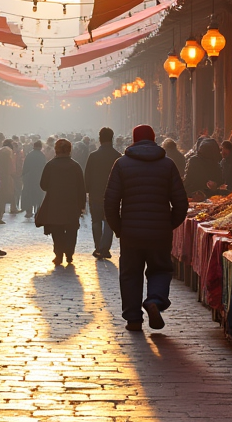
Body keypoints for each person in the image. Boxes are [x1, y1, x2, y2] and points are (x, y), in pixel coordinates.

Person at [104, 124, 188, 332]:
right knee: (160, 269)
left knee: (130, 274)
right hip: (159, 231)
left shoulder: (121, 164)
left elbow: (110, 202)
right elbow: (181, 202)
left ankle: (133, 319)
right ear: (153, 139)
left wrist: (119, 228)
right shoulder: (167, 165)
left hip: (131, 232)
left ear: (133, 139)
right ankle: (155, 301)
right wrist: (169, 224)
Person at [36, 138, 86, 265]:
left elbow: (43, 185)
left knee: (57, 230)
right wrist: (82, 205)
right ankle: (69, 254)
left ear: (56, 150)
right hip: (71, 204)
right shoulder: (75, 166)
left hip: (54, 203)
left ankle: (58, 255)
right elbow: (82, 188)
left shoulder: (50, 165)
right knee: (71, 230)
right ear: (70, 150)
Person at [83, 127, 121, 259]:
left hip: (96, 194)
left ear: (100, 139)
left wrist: (87, 190)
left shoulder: (93, 156)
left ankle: (98, 247)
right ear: (112, 138)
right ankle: (105, 248)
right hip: (112, 195)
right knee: (109, 222)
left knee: (96, 221)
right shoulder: (117, 156)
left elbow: (87, 175)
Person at [21, 140, 47, 218]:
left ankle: (29, 211)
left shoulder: (29, 155)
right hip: (39, 177)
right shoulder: (42, 155)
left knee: (29, 194)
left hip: (29, 177)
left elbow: (25, 167)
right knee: (38, 195)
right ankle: (38, 211)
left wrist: (23, 176)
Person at [0, 140, 19, 215]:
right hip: (7, 176)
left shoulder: (1, 151)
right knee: (6, 194)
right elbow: (11, 164)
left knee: (4, 194)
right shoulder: (9, 151)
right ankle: (0, 214)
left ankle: (11, 208)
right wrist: (13, 173)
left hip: (1, 175)